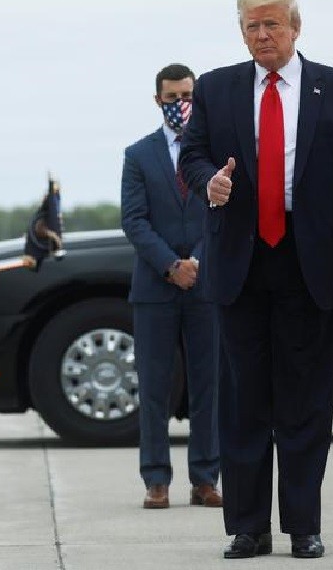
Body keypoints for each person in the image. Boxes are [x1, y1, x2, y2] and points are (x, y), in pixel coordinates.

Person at [180, 0, 333, 559]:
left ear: (296, 28)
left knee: (305, 400)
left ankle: (303, 526)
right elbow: (191, 155)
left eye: (271, 25)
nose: (261, 36)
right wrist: (207, 182)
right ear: (240, 33)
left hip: (310, 262)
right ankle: (248, 528)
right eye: (251, 27)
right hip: (239, 260)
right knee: (243, 402)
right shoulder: (216, 88)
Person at [121, 63, 221, 510]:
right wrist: (170, 265)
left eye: (187, 95)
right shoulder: (138, 154)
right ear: (157, 99)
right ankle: (156, 479)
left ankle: (205, 479)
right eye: (171, 97)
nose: (180, 104)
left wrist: (196, 261)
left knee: (209, 387)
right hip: (155, 289)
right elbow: (134, 220)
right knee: (155, 388)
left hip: (205, 286)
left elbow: (222, 213)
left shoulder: (215, 151)